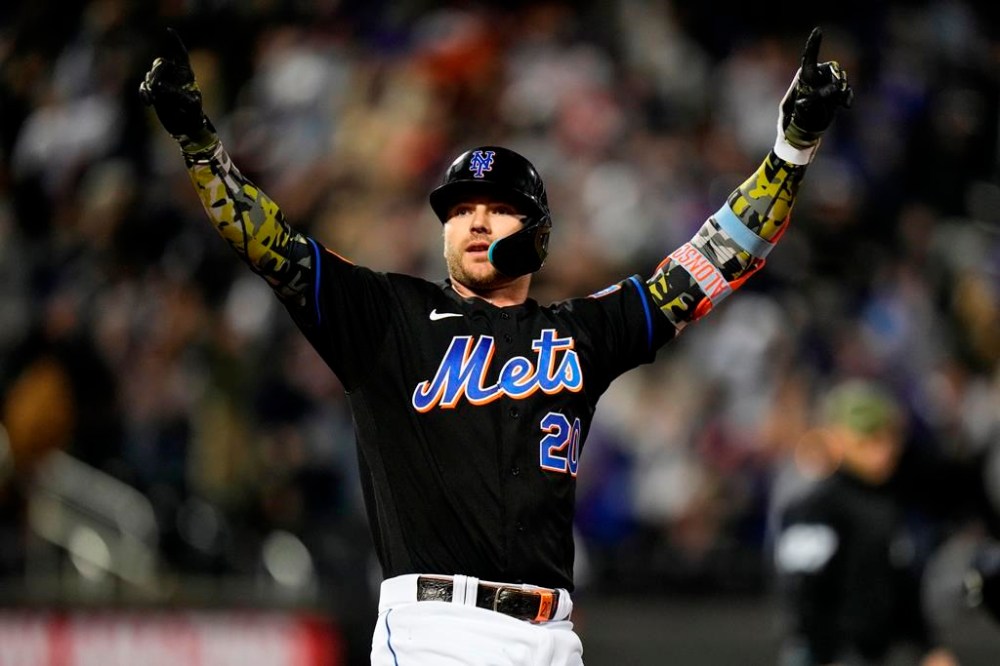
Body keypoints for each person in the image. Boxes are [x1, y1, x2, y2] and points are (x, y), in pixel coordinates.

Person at [140, 25, 852, 666]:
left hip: (553, 637)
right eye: (458, 210)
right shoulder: (384, 317)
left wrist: (792, 148)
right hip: (434, 630)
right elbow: (272, 244)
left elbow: (709, 264)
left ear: (537, 233)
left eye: (498, 208)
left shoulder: (580, 331)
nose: (475, 222)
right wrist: (199, 143)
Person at [773, 380, 960, 666]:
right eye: (869, 439)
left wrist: (928, 647)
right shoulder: (815, 507)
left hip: (872, 653)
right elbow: (800, 597)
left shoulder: (887, 504)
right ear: (838, 438)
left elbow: (899, 585)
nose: (883, 450)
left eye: (889, 438)